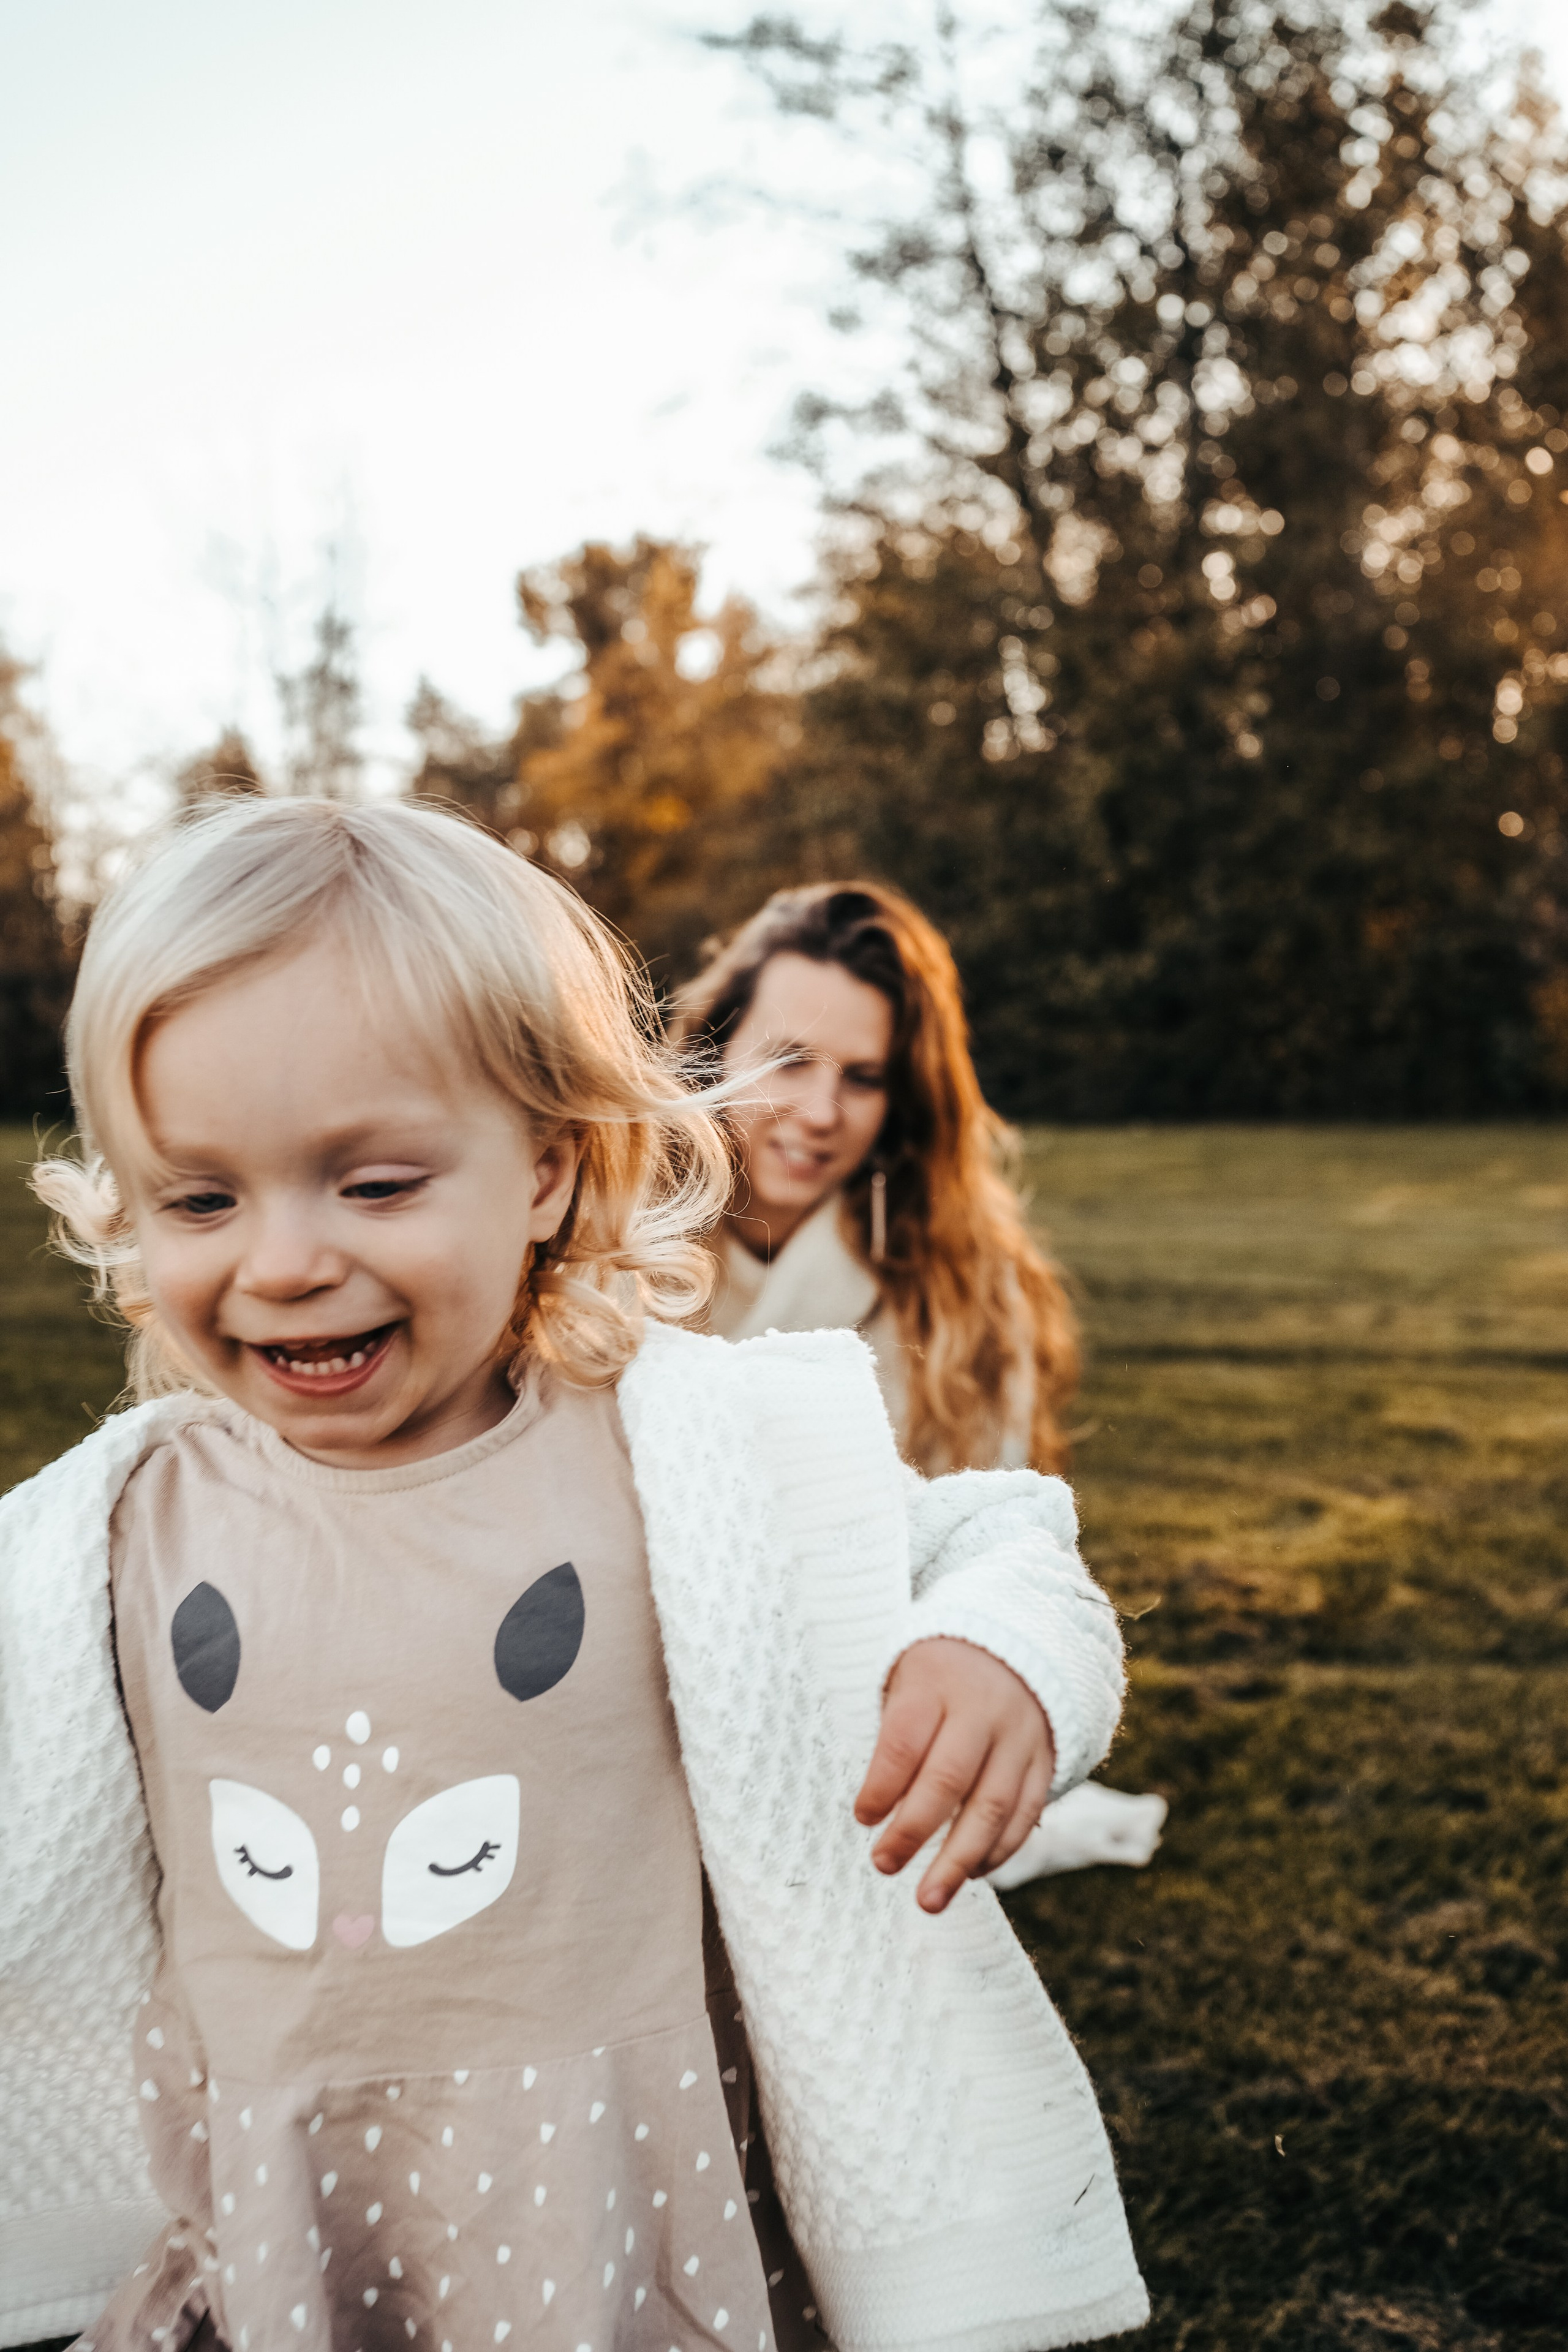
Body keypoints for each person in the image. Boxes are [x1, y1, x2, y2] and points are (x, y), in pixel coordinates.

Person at [0, 801, 1147, 2352]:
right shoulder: (118, 1524)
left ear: (544, 1172)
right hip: (281, 2180)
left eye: (374, 1183)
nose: (280, 1260)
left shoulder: (678, 1454)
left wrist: (994, 1651)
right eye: (202, 1198)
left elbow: (997, 1540)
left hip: (601, 2185)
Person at [673, 882, 1167, 1888]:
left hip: (847, 1689)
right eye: (788, 1061)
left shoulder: (959, 1292)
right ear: (716, 1051)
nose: (818, 1112)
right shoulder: (610, 1234)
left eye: (863, 1077)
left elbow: (983, 1536)